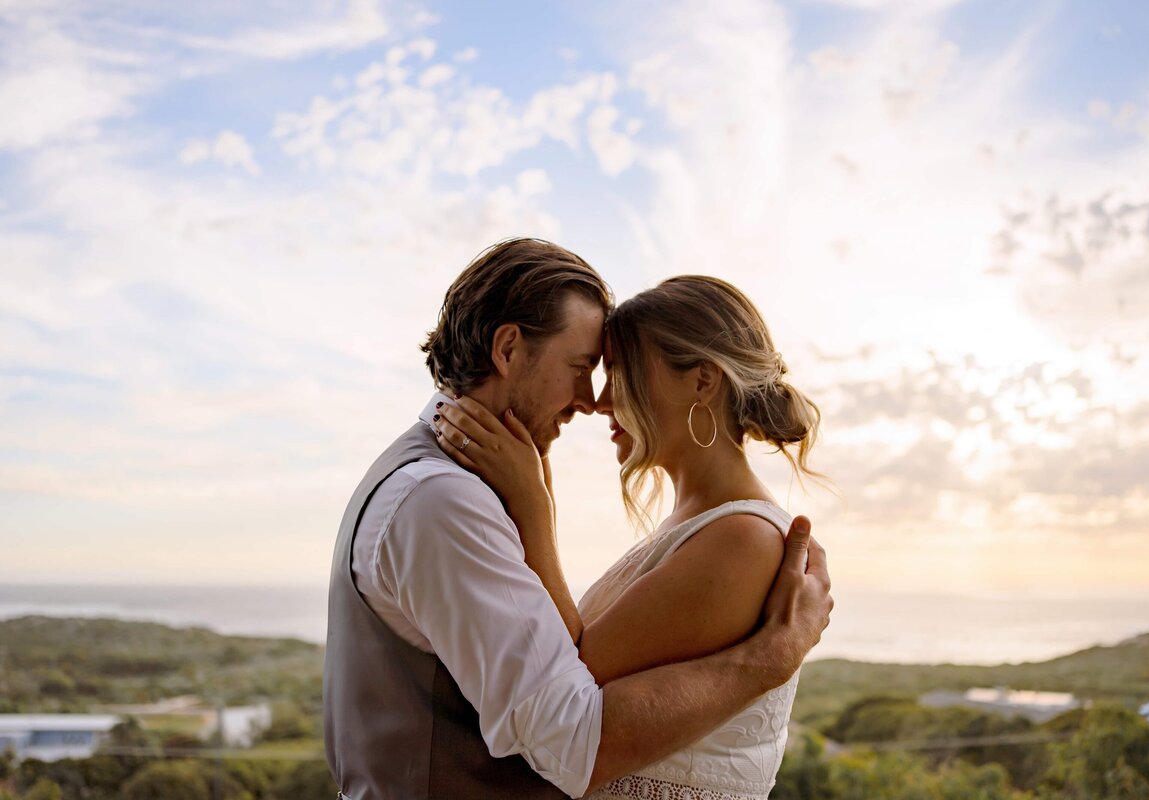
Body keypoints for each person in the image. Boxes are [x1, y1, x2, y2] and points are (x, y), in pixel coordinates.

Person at [324, 239, 832, 800]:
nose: (597, 400)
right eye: (585, 367)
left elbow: (571, 680)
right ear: (508, 348)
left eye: (620, 371)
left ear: (703, 382)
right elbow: (571, 717)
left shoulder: (740, 539)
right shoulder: (442, 498)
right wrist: (771, 658)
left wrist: (535, 512)